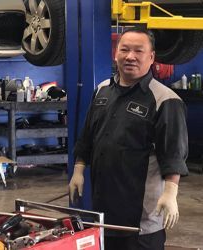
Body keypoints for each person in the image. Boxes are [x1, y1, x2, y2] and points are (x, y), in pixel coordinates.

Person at [69, 27, 189, 250]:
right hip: (103, 210)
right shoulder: (102, 91)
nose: (130, 56)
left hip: (141, 218)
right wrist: (78, 170)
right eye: (124, 49)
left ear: (151, 57)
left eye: (138, 51)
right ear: (116, 53)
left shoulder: (165, 99)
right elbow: (87, 137)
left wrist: (171, 192)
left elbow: (173, 152)